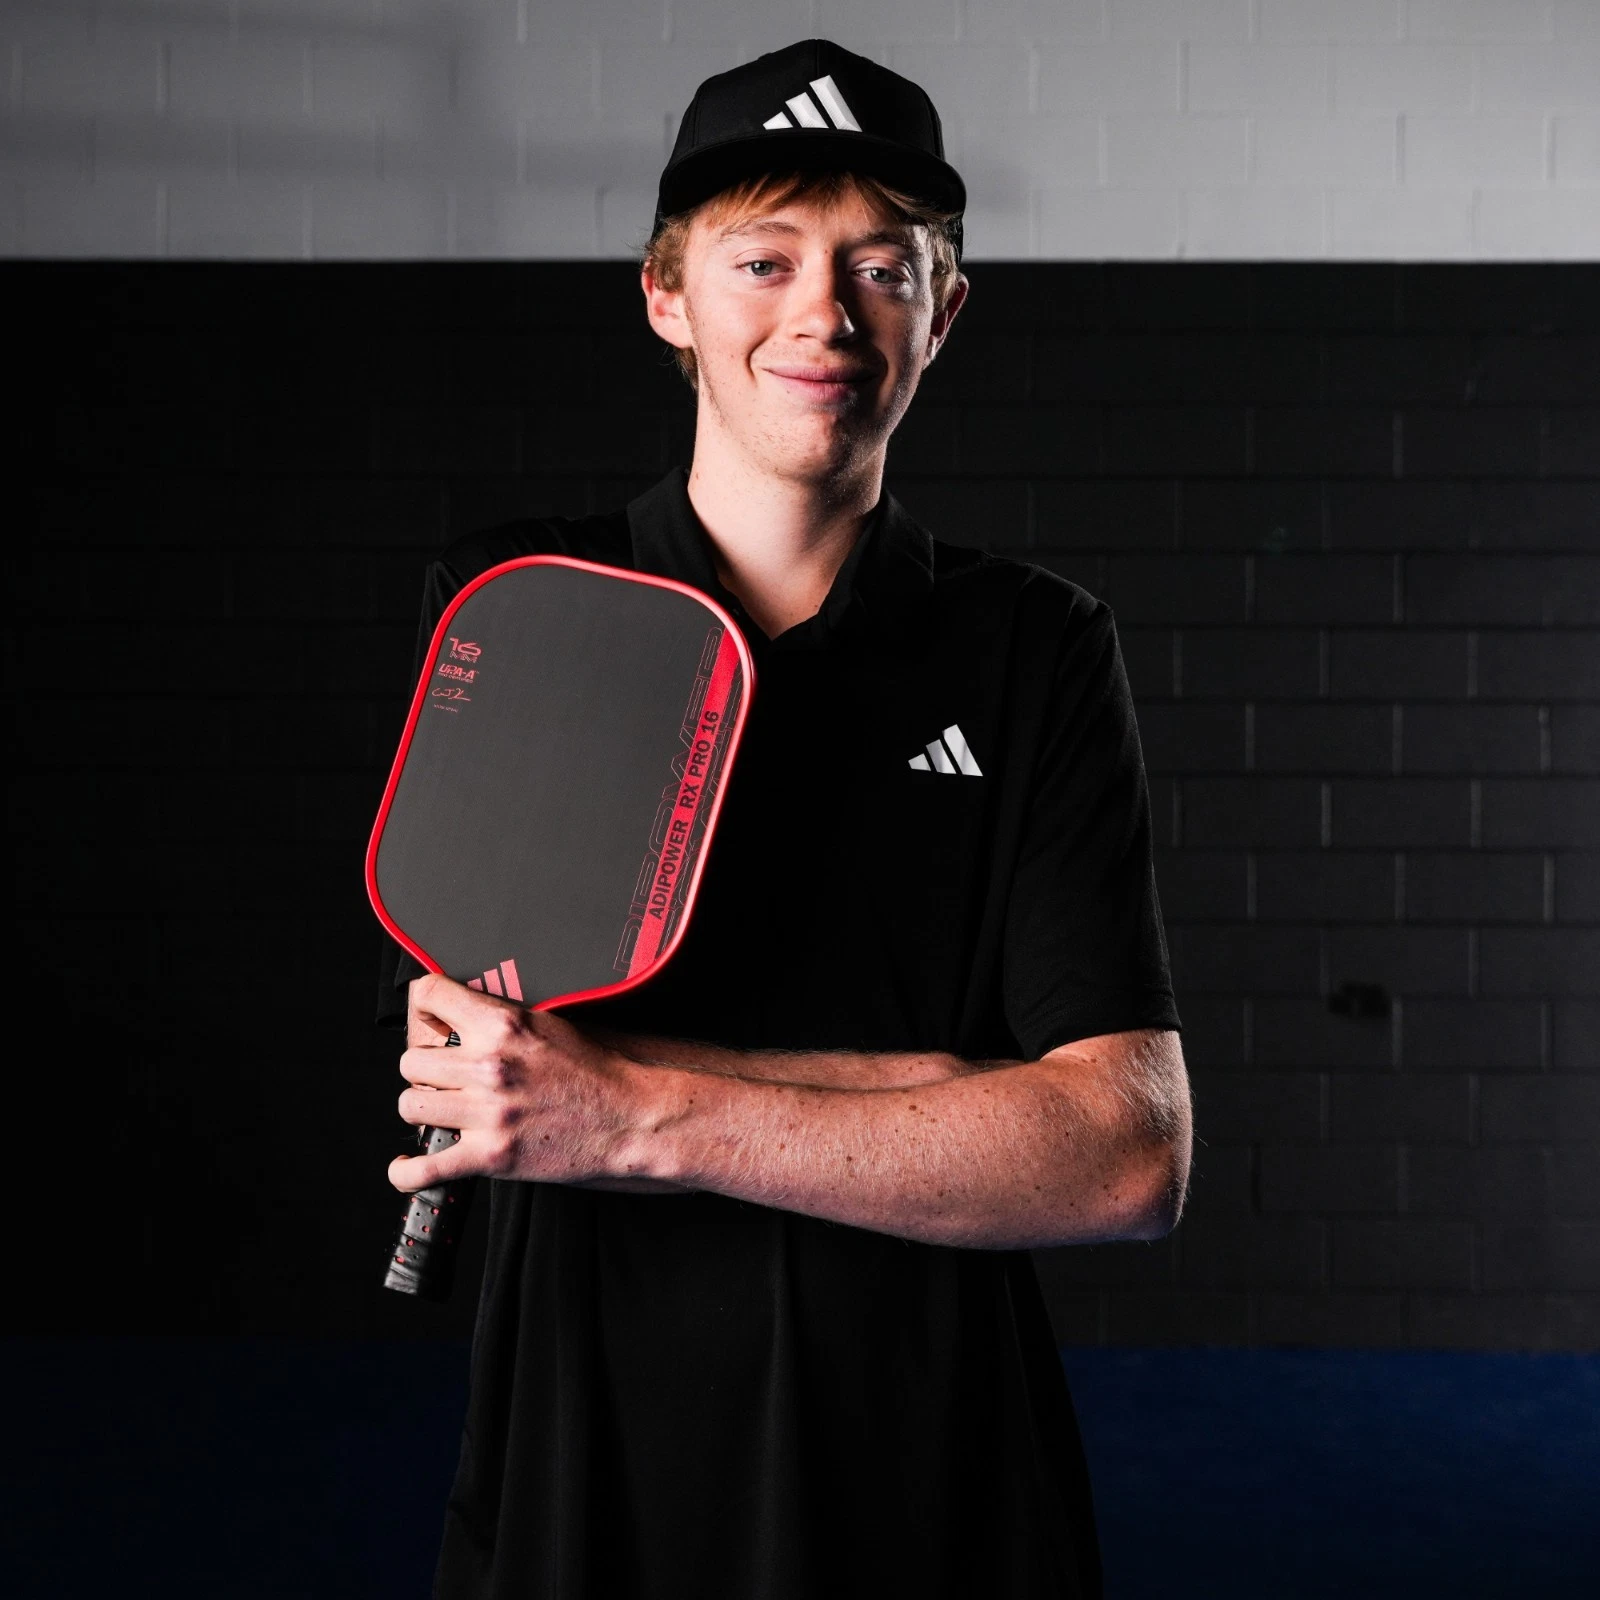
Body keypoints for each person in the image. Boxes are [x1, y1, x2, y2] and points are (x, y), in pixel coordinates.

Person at [377, 38, 1191, 1600]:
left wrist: (630, 1111)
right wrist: (939, 1089)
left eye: (881, 268)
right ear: (666, 298)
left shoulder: (1035, 648)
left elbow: (1121, 1155)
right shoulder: (512, 600)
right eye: (764, 260)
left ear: (942, 314)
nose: (824, 314)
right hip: (586, 1437)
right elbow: (473, 1068)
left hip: (932, 1453)